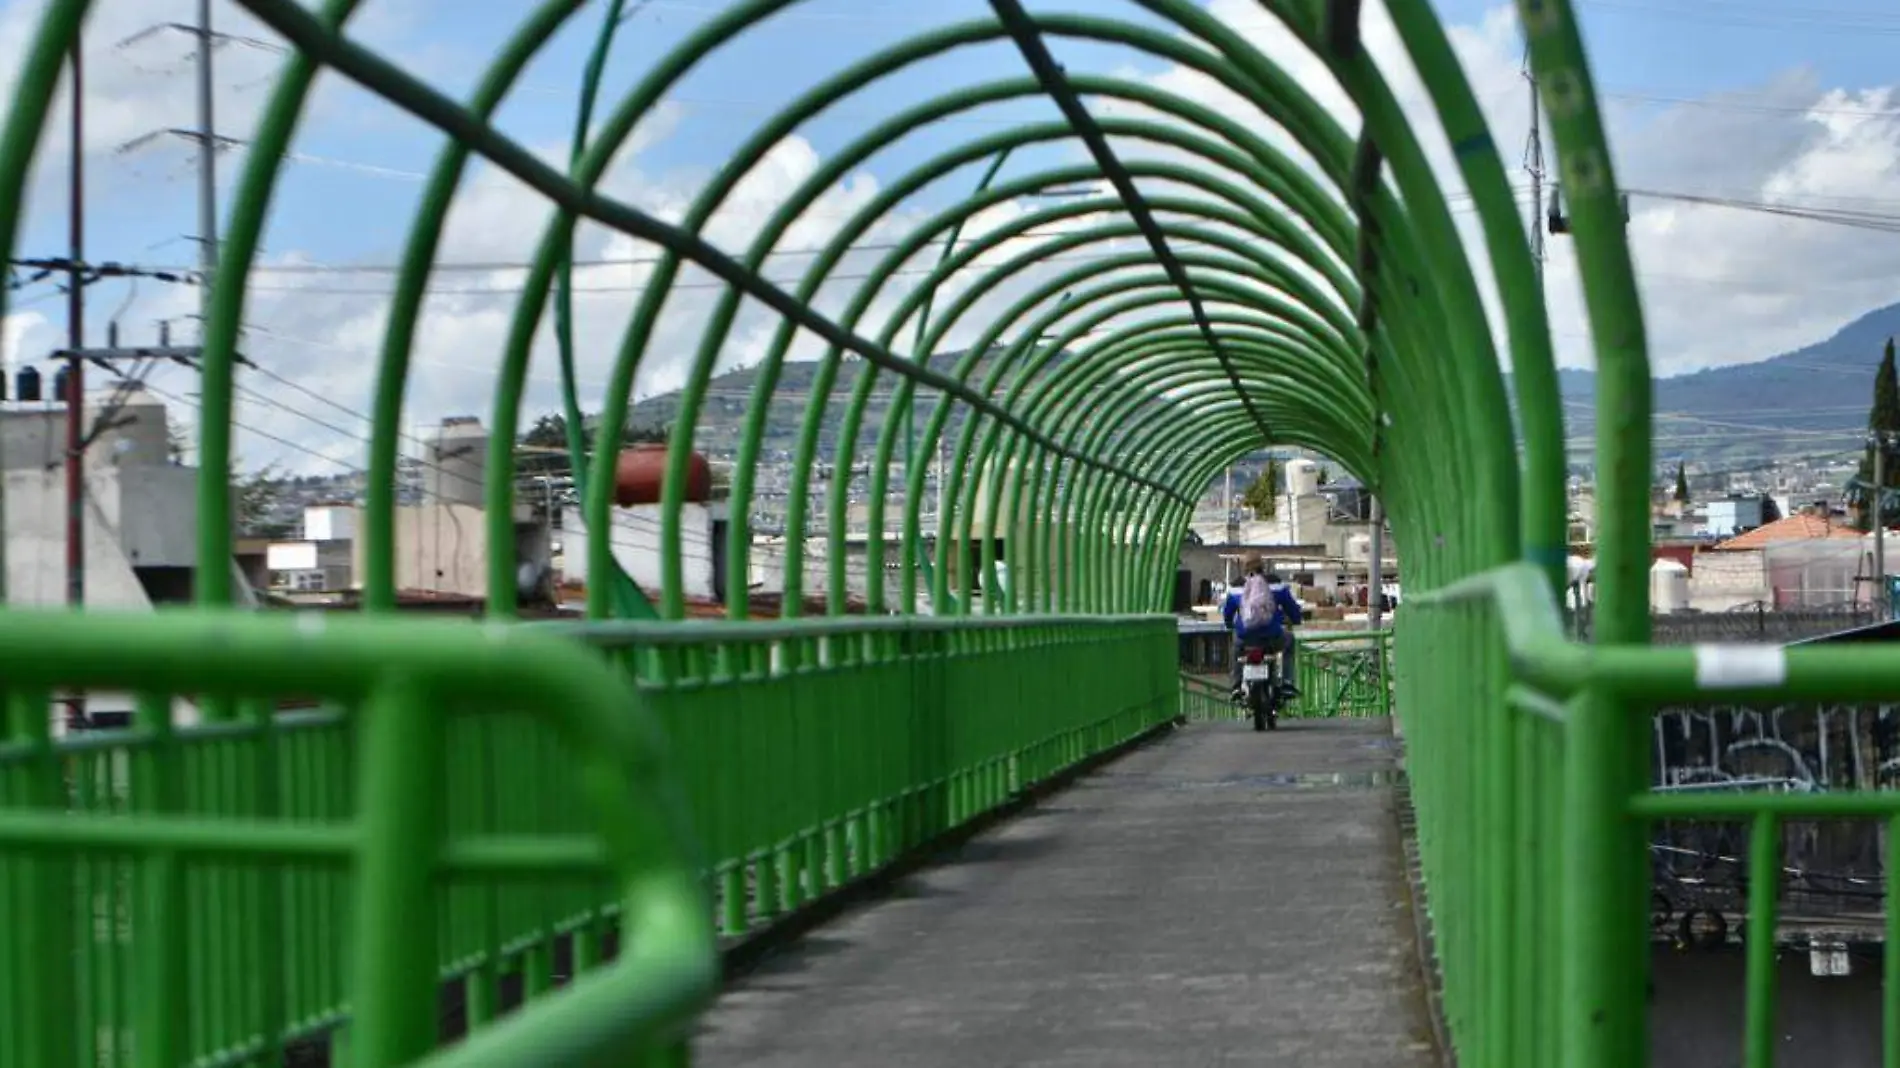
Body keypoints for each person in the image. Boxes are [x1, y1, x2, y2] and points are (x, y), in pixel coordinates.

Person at [1221, 556, 1303, 702]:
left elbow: (1227, 612)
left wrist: (1229, 624)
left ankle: (1236, 685)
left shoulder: (1236, 587)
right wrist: (1296, 619)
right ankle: (1287, 682)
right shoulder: (1276, 584)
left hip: (1245, 637)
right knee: (1289, 641)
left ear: (1245, 568)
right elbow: (1291, 607)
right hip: (1271, 636)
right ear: (1262, 567)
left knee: (1236, 649)